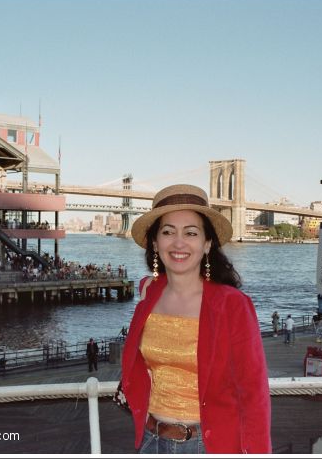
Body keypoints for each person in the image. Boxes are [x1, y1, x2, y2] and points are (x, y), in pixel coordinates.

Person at [121, 184, 271, 454]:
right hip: (150, 442)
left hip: (207, 445)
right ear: (156, 242)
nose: (179, 243)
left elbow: (254, 394)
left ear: (207, 243)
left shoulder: (232, 305)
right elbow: (137, 365)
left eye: (191, 233)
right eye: (168, 232)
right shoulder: (148, 296)